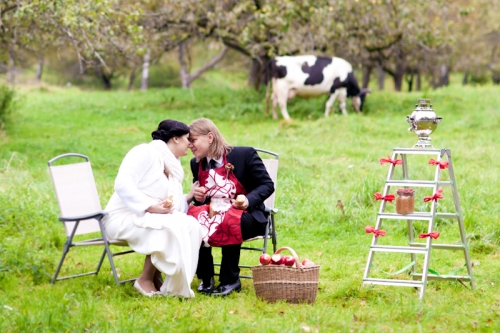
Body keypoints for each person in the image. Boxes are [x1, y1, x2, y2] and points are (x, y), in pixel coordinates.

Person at [103, 119, 203, 298]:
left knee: (190, 224)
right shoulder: (145, 152)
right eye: (188, 138)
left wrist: (188, 196)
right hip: (123, 217)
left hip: (147, 217)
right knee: (167, 226)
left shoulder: (173, 167)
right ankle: (145, 279)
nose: (190, 144)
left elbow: (170, 205)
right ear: (175, 139)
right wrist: (150, 207)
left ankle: (173, 285)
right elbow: (123, 184)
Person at [187, 118, 274, 296]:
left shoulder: (244, 155)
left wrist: (247, 200)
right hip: (214, 214)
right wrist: (198, 196)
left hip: (248, 216)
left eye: (193, 140)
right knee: (192, 220)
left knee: (228, 219)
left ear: (210, 137)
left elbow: (267, 185)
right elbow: (202, 203)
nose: (190, 146)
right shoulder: (195, 164)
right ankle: (206, 277)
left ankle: (230, 280)